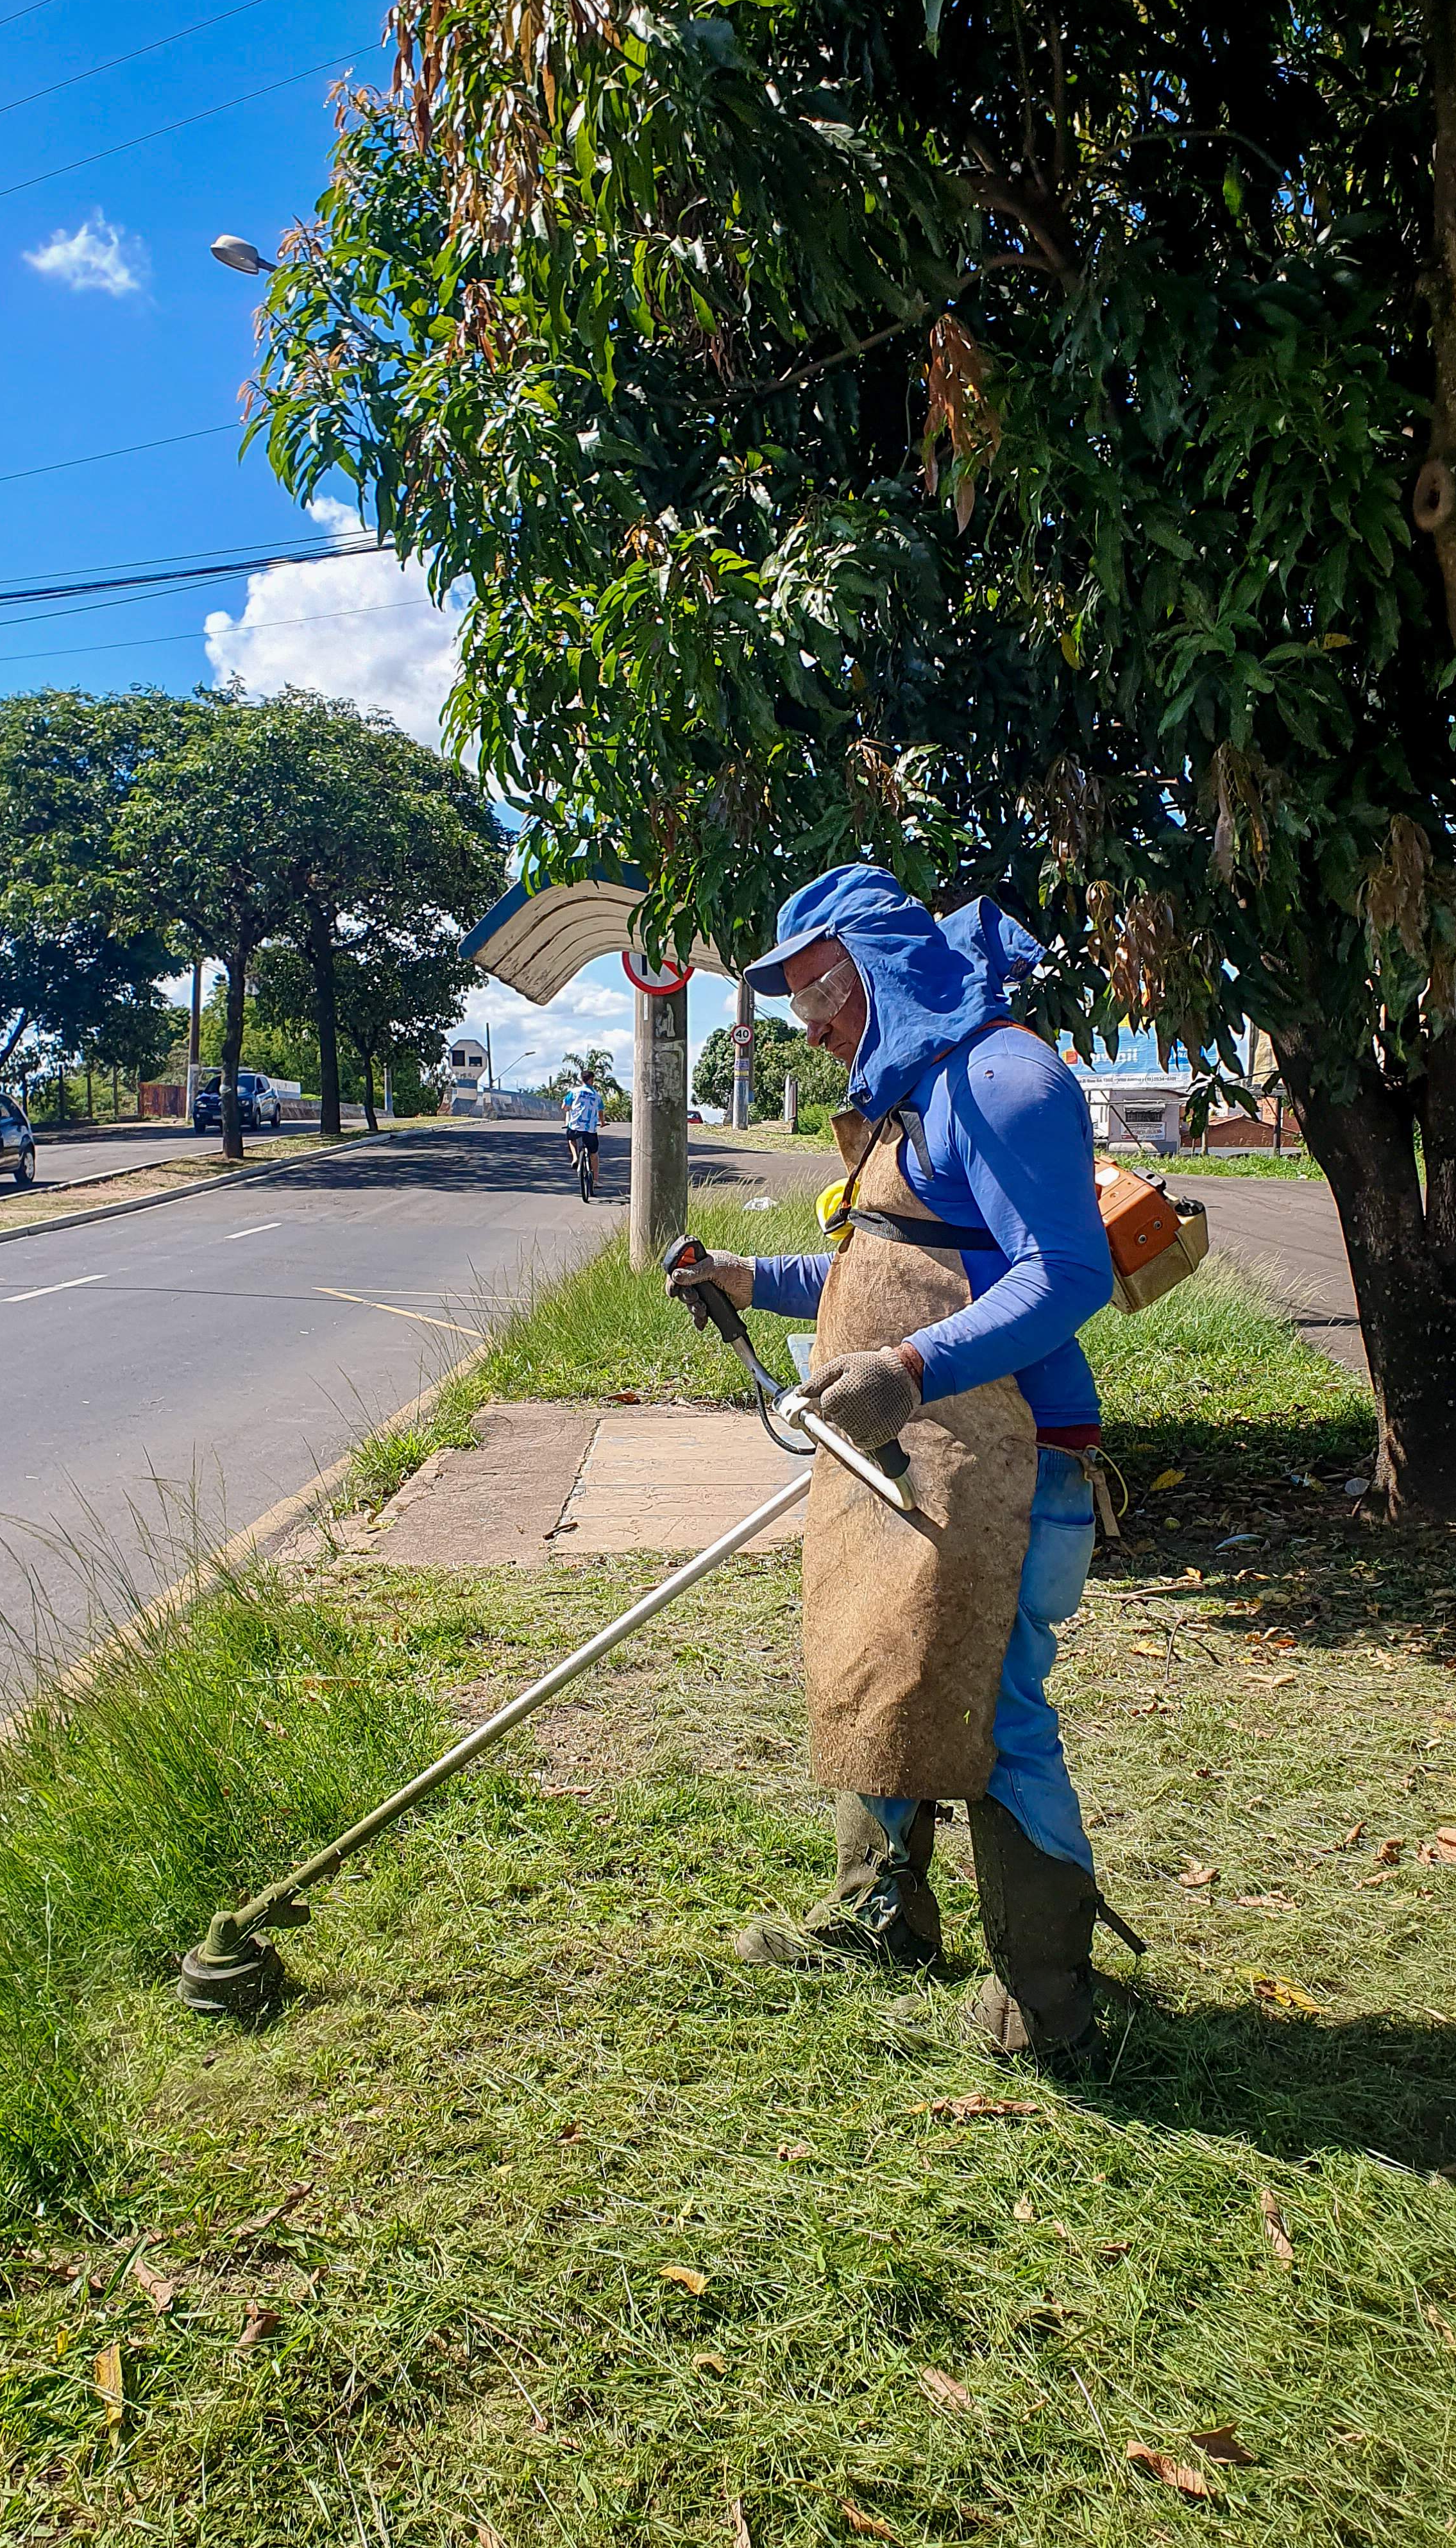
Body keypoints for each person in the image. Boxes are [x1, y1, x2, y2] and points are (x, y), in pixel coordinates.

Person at [670, 864, 1137, 2064]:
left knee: (992, 1711)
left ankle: (1049, 2000)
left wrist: (915, 1369)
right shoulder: (907, 1094)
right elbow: (887, 1266)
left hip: (1006, 1460)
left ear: (881, 967)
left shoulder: (998, 1075)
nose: (812, 1026)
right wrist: (742, 1277)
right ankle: (874, 1916)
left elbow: (1064, 1274)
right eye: (796, 1007)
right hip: (909, 1449)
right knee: (881, 1660)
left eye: (822, 993)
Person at [562, 1073, 602, 1187]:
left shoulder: (574, 1092)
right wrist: (603, 1123)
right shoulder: (596, 1095)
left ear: (582, 1080)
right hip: (590, 1129)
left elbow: (564, 1107)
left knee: (571, 1139)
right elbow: (601, 1112)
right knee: (594, 1154)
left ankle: (575, 1158)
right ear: (591, 1080)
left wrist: (570, 1108)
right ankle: (595, 1181)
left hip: (575, 1126)